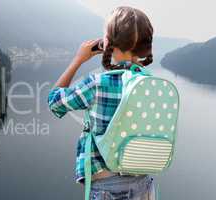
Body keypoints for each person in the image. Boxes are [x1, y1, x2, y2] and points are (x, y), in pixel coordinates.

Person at [48, 6, 156, 200]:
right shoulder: (150, 83)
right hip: (144, 185)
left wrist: (78, 59)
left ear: (107, 42)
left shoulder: (98, 84)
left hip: (108, 189)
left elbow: (55, 101)